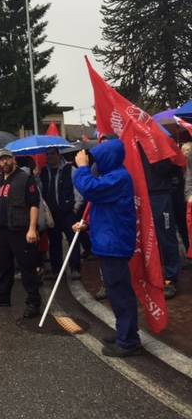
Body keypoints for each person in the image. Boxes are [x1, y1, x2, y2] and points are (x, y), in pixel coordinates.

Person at [73, 140, 142, 357]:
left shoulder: (119, 178)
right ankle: (125, 332)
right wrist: (87, 225)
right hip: (109, 242)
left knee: (120, 294)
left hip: (114, 244)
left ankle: (128, 341)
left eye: (97, 159)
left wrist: (83, 168)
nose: (94, 163)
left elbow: (89, 189)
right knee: (116, 292)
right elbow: (106, 210)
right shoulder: (113, 177)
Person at [0, 149, 42, 318]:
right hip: (3, 230)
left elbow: (33, 204)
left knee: (27, 267)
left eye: (7, 159)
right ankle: (3, 297)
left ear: (13, 159)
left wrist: (32, 228)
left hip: (21, 229)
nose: (4, 163)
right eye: (1, 160)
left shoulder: (25, 178)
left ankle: (33, 302)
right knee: (5, 266)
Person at [139, 145, 180, 299]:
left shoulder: (157, 141)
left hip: (160, 196)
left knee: (166, 238)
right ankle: (151, 277)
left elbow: (173, 167)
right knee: (145, 239)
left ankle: (171, 278)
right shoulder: (130, 142)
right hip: (141, 196)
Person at [40, 147, 82, 280]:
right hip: (52, 215)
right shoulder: (43, 172)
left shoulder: (70, 170)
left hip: (68, 212)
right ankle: (56, 270)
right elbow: (40, 190)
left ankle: (75, 268)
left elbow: (78, 189)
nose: (50, 157)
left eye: (52, 154)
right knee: (54, 243)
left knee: (73, 241)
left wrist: (75, 207)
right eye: (47, 155)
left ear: (58, 155)